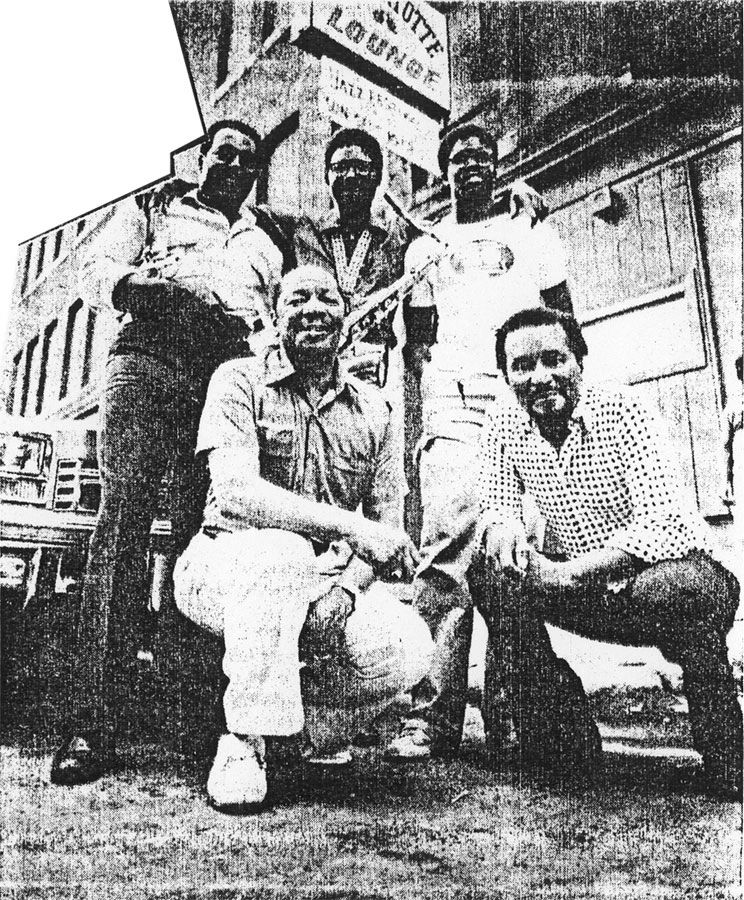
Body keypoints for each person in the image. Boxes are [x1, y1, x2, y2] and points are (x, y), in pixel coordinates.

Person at [51, 120, 288, 786]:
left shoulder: (265, 242)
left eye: (248, 162)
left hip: (218, 376)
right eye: (225, 154)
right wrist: (149, 287)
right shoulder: (155, 203)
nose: (234, 167)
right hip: (148, 359)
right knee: (121, 525)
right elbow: (94, 273)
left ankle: (186, 722)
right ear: (202, 158)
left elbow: (269, 325)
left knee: (198, 537)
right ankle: (89, 724)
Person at [172, 265, 433, 812]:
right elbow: (236, 491)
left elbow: (387, 526)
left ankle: (299, 739)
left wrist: (345, 594)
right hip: (222, 564)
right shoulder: (237, 379)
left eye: (326, 298)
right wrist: (349, 527)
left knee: (409, 644)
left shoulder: (377, 410)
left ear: (347, 314)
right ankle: (243, 742)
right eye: (297, 299)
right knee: (281, 552)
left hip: (323, 581)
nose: (313, 308)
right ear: (274, 314)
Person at [466, 306, 742, 796]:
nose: (540, 377)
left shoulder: (625, 409)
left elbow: (664, 522)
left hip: (663, 582)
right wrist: (503, 529)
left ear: (580, 360)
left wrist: (570, 573)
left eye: (554, 359)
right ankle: (564, 735)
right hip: (584, 592)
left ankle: (726, 749)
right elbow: (496, 504)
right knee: (489, 571)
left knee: (690, 591)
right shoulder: (503, 422)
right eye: (523, 367)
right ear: (507, 376)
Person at [387, 124, 573, 760]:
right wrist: (415, 437)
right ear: (445, 172)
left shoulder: (532, 232)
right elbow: (415, 350)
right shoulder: (426, 250)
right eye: (457, 158)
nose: (470, 166)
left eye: (480, 156)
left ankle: (511, 713)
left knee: (513, 549)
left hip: (522, 398)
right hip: (455, 403)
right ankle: (432, 716)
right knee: (444, 555)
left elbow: (567, 325)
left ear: (497, 167)